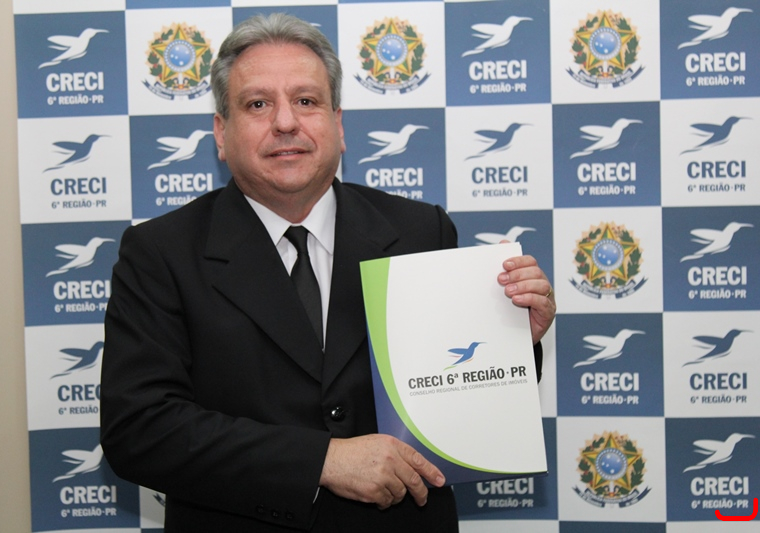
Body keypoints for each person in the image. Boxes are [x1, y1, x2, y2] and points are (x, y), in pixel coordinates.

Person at [100, 13, 556, 532]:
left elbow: (457, 404)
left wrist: (510, 339)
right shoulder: (160, 253)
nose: (285, 122)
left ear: (338, 126)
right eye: (257, 104)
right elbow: (139, 430)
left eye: (306, 101)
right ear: (221, 134)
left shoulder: (419, 231)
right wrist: (322, 461)